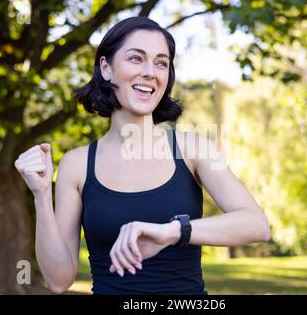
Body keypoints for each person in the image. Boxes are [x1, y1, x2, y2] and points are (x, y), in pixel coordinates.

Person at [14, 16, 270, 295]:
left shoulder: (194, 148)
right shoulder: (76, 164)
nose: (150, 71)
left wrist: (172, 232)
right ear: (106, 68)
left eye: (161, 62)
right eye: (136, 58)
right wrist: (40, 195)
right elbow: (58, 280)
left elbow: (256, 225)